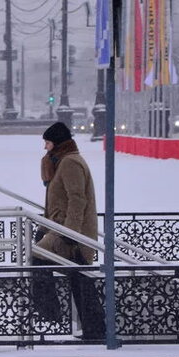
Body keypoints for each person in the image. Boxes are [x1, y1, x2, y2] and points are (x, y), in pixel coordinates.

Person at [31, 121, 106, 340]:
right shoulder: (62, 162)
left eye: (47, 142)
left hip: (71, 234)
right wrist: (43, 228)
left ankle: (50, 316)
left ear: (57, 143)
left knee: (37, 259)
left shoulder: (70, 163)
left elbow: (77, 199)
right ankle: (95, 330)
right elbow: (55, 205)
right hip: (63, 230)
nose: (45, 147)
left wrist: (70, 233)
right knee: (80, 280)